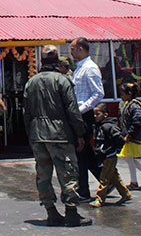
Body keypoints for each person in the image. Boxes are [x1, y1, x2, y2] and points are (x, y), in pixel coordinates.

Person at [23, 45, 90, 227]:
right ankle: (71, 213)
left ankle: (51, 212)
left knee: (43, 175)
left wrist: (31, 135)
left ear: (42, 61)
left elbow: (26, 113)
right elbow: (73, 111)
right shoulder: (62, 81)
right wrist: (80, 133)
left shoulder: (31, 82)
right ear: (56, 62)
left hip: (38, 135)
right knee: (68, 173)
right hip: (60, 135)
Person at [70, 37, 104, 201]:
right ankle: (106, 181)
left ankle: (84, 190)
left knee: (81, 153)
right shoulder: (78, 68)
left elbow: (98, 93)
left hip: (84, 115)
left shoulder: (90, 68)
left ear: (81, 49)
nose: (71, 52)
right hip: (77, 115)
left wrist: (81, 109)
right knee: (87, 154)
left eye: (73, 49)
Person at [90, 103, 130, 207]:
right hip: (102, 156)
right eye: (94, 114)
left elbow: (120, 139)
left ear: (105, 115)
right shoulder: (97, 127)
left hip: (109, 156)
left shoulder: (109, 127)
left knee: (104, 179)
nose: (95, 116)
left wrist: (115, 149)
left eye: (98, 114)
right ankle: (125, 194)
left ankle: (100, 199)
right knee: (114, 177)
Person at [117, 82, 141, 189]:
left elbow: (137, 121)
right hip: (129, 134)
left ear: (129, 94)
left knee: (128, 157)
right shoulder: (129, 104)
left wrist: (129, 134)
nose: (121, 96)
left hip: (133, 135)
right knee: (129, 158)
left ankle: (134, 181)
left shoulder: (134, 106)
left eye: (122, 94)